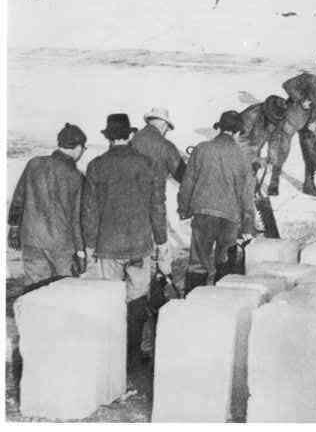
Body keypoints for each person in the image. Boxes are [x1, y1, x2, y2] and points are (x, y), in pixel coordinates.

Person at [82, 114, 167, 364]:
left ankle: (113, 355)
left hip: (107, 246)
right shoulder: (147, 164)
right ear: (130, 135)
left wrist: (89, 244)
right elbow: (157, 206)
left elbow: (89, 210)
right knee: (138, 299)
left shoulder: (96, 166)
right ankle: (133, 352)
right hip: (139, 245)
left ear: (108, 137)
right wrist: (161, 241)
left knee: (111, 299)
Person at [178, 111, 256, 292]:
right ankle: (220, 306)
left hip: (204, 213)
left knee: (198, 262)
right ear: (238, 132)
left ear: (219, 128)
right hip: (230, 217)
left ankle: (192, 304)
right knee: (224, 261)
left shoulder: (202, 148)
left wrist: (184, 209)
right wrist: (247, 224)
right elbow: (247, 194)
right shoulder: (243, 157)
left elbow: (188, 182)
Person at [8, 123, 88, 290]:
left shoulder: (33, 164)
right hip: (62, 246)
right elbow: (76, 219)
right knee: (63, 292)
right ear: (78, 147)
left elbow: (18, 200)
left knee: (34, 291)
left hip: (32, 240)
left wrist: (14, 228)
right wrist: (80, 251)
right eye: (83, 148)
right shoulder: (76, 177)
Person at [130, 107, 184, 271]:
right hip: (155, 210)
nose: (167, 131)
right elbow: (183, 176)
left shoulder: (131, 142)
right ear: (162, 124)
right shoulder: (165, 146)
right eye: (167, 127)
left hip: (127, 211)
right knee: (161, 256)